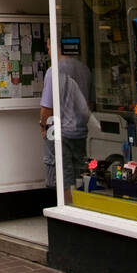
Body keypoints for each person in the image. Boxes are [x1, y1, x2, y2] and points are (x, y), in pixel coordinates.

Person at [40, 64, 90, 194]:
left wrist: (43, 127)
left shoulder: (52, 73)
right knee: (75, 169)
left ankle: (63, 204)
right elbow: (86, 109)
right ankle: (75, 201)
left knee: (59, 170)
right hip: (77, 131)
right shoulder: (81, 73)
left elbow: (47, 108)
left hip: (59, 129)